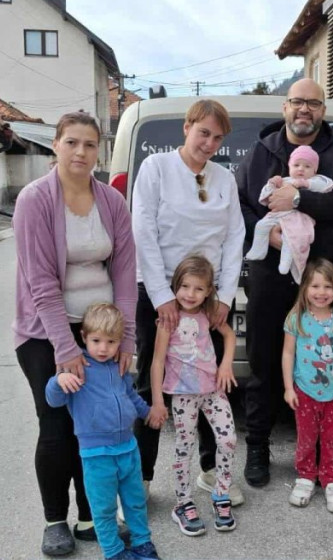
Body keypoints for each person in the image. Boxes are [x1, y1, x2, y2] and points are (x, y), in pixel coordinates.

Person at [13, 111, 137, 557]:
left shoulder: (112, 201)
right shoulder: (35, 200)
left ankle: (90, 517)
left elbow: (125, 272)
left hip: (99, 330)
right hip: (44, 333)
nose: (81, 152)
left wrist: (127, 338)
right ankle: (54, 520)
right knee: (56, 426)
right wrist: (64, 348)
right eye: (72, 142)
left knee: (97, 426)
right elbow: (41, 282)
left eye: (89, 144)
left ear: (99, 150)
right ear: (56, 145)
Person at [235, 78, 333, 487]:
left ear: (323, 110)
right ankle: (258, 445)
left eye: (312, 102)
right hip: (270, 274)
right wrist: (269, 233)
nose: (304, 109)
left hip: (319, 277)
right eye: (296, 102)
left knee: (322, 361)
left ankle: (320, 450)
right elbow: (239, 206)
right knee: (263, 361)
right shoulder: (261, 152)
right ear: (285, 107)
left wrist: (298, 200)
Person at [131, 99, 246, 504]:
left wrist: (224, 298)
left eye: (217, 138)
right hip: (159, 292)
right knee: (149, 383)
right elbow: (143, 230)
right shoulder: (156, 168)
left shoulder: (224, 179)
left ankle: (211, 470)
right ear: (187, 127)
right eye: (204, 133)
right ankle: (141, 478)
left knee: (208, 382)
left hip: (207, 298)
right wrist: (162, 296)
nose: (209, 143)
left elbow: (234, 237)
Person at [45, 303, 162, 560]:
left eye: (111, 342)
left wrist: (149, 413)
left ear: (120, 341)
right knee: (104, 507)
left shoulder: (118, 366)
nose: (103, 348)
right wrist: (58, 380)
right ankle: (113, 551)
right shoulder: (77, 367)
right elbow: (53, 400)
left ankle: (142, 542)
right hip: (97, 454)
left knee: (135, 501)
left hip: (128, 448)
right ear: (84, 337)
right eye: (96, 340)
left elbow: (131, 395)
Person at [148, 255, 239, 537]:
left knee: (228, 439)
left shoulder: (209, 313)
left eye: (199, 288)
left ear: (209, 290)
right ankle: (183, 503)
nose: (190, 294)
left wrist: (226, 364)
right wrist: (158, 400)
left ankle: (221, 493)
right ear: (175, 285)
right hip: (183, 395)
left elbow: (230, 336)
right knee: (184, 448)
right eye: (185, 286)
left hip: (213, 390)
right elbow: (157, 362)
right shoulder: (169, 319)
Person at [281, 258, 333, 514]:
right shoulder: (296, 319)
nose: (321, 292)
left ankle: (331, 480)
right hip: (305, 391)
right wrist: (288, 387)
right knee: (306, 437)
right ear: (304, 288)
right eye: (315, 286)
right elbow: (288, 353)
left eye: (327, 286)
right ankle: (305, 477)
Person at [245, 145, 333, 282]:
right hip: (277, 216)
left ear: (315, 170)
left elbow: (328, 185)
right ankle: (259, 249)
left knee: (290, 238)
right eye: (296, 165)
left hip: (298, 219)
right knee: (261, 226)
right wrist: (271, 184)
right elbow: (264, 198)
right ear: (289, 167)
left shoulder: (315, 181)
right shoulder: (284, 180)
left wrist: (306, 184)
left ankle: (286, 262)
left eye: (307, 166)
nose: (301, 169)